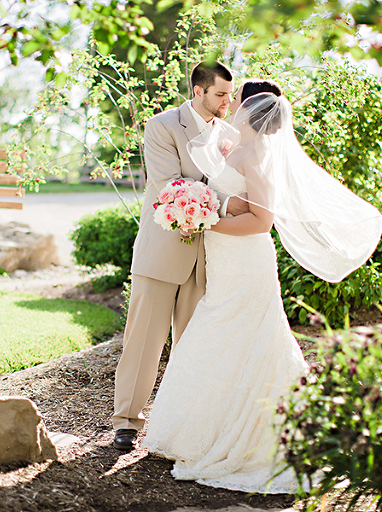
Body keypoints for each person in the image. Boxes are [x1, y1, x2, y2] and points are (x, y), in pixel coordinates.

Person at [142, 81, 382, 492]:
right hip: (224, 260)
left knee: (237, 334)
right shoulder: (234, 147)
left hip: (246, 262)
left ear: (250, 107)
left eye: (237, 98)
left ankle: (252, 438)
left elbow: (261, 222)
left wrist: (206, 221)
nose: (231, 102)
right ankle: (207, 428)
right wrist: (200, 209)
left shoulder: (257, 156)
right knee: (224, 335)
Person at [111, 62, 250, 451]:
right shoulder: (162, 126)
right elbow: (169, 184)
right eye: (220, 94)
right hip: (163, 248)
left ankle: (180, 424)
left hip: (208, 254)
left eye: (230, 94)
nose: (227, 102)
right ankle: (126, 421)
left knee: (191, 345)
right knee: (143, 341)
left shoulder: (230, 134)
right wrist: (224, 205)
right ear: (198, 91)